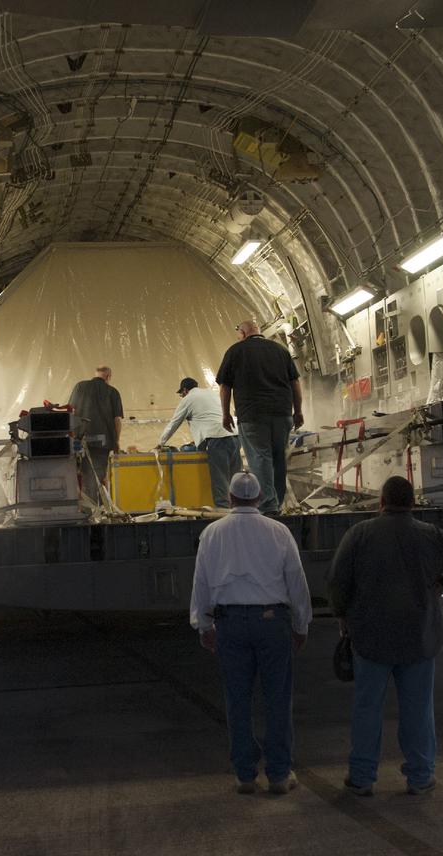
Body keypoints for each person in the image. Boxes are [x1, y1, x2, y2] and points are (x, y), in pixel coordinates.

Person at [326, 476, 443, 797]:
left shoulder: (360, 534)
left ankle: (362, 777)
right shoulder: (431, 535)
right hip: (419, 638)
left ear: (381, 502)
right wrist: (441, 583)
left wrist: (342, 616)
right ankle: (420, 776)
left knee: (368, 709)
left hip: (371, 639)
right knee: (418, 710)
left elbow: (338, 581)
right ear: (412, 503)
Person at [190, 471, 312, 795]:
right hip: (273, 623)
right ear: (259, 498)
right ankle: (279, 775)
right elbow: (296, 582)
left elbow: (201, 583)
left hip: (229, 624)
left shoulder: (212, 533)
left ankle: (245, 774)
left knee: (237, 700)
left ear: (229, 498)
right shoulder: (279, 532)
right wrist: (301, 625)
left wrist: (204, 625)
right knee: (277, 699)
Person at [216, 320, 303, 514]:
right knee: (279, 458)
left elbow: (225, 386)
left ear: (243, 333)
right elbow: (295, 383)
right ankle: (277, 503)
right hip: (282, 414)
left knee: (260, 458)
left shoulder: (235, 351)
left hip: (252, 415)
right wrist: (298, 411)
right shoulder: (281, 351)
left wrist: (225, 414)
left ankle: (268, 506)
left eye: (239, 334)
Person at [157, 376, 242, 507]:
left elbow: (174, 423)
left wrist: (160, 443)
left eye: (181, 394)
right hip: (235, 436)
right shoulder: (212, 394)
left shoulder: (188, 399)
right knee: (235, 480)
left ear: (185, 390)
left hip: (217, 439)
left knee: (220, 480)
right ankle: (240, 509)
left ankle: (223, 513)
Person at [67, 365, 124, 500]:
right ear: (108, 377)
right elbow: (117, 420)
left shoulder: (80, 386)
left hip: (80, 441)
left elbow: (71, 411)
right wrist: (116, 442)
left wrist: (72, 436)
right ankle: (95, 512)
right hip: (102, 443)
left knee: (80, 476)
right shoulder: (113, 392)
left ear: (96, 374)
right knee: (97, 478)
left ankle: (84, 509)